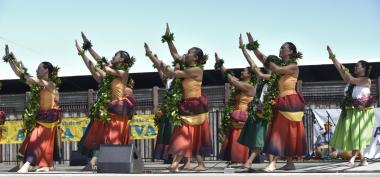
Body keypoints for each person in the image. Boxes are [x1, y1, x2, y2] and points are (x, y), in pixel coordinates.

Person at [246, 33, 306, 171]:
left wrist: (266, 61)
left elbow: (277, 69)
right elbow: (263, 59)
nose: (280, 50)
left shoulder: (293, 66)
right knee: (282, 131)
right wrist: (253, 47)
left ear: (291, 52)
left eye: (283, 48)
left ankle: (273, 163)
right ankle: (289, 163)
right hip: (281, 100)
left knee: (281, 131)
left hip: (290, 101)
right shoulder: (281, 66)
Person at [76, 33, 136, 170]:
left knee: (114, 137)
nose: (113, 57)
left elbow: (101, 65)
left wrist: (89, 51)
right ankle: (94, 161)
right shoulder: (109, 76)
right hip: (110, 109)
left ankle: (104, 161)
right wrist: (87, 50)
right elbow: (96, 65)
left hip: (119, 109)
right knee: (105, 137)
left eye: (116, 55)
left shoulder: (123, 72)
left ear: (122, 60)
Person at [159, 24, 212, 172]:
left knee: (184, 133)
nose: (185, 54)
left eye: (189, 53)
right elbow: (175, 55)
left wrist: (164, 67)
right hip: (187, 105)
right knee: (189, 134)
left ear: (195, 57)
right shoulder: (188, 66)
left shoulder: (196, 70)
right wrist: (169, 39)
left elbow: (175, 74)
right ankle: (198, 164)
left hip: (196, 106)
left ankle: (176, 163)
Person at [4, 45, 62, 173]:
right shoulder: (38, 84)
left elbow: (30, 78)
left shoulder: (51, 84)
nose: (36, 70)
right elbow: (21, 75)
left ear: (46, 70)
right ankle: (45, 165)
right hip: (41, 117)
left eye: (39, 68)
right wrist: (10, 60)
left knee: (36, 140)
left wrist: (26, 76)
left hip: (49, 120)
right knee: (34, 141)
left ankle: (27, 164)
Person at [327, 46, 375, 167]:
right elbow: (342, 71)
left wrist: (345, 71)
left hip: (362, 112)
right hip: (350, 111)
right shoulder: (351, 80)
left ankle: (354, 158)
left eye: (357, 65)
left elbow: (349, 77)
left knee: (357, 135)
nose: (355, 67)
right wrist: (333, 57)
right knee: (354, 135)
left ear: (364, 68)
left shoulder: (366, 80)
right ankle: (362, 158)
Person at [237, 34, 270, 170]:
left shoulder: (274, 76)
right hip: (257, 110)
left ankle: (250, 162)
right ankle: (265, 162)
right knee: (255, 138)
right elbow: (252, 63)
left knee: (260, 138)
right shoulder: (259, 80)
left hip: (267, 111)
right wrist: (244, 49)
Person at [214, 53, 253, 167]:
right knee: (233, 137)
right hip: (236, 114)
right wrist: (221, 65)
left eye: (244, 71)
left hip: (243, 115)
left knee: (239, 137)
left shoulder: (249, 86)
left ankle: (240, 160)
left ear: (250, 75)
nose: (241, 72)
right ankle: (235, 159)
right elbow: (228, 76)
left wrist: (221, 64)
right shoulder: (241, 84)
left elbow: (233, 81)